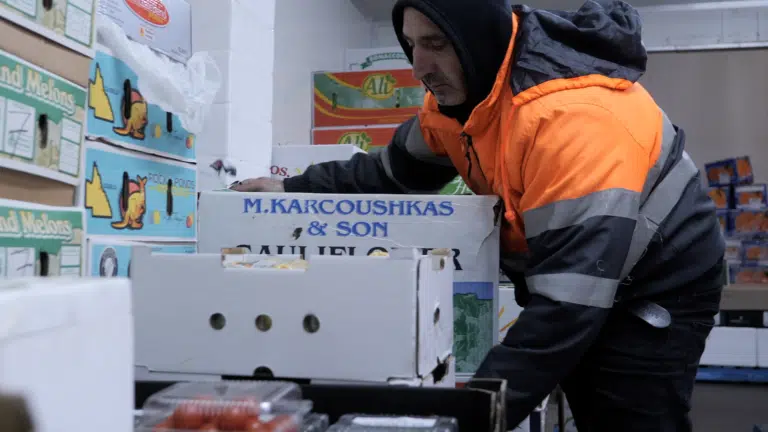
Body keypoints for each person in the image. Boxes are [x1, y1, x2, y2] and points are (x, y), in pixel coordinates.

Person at [233, 1, 725, 430]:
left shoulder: (570, 121)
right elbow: (393, 170)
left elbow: (567, 308)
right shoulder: (462, 102)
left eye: (436, 44)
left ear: (476, 39)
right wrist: (291, 188)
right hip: (582, 271)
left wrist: (463, 416)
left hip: (660, 277)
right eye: (411, 44)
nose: (420, 66)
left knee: (624, 407)